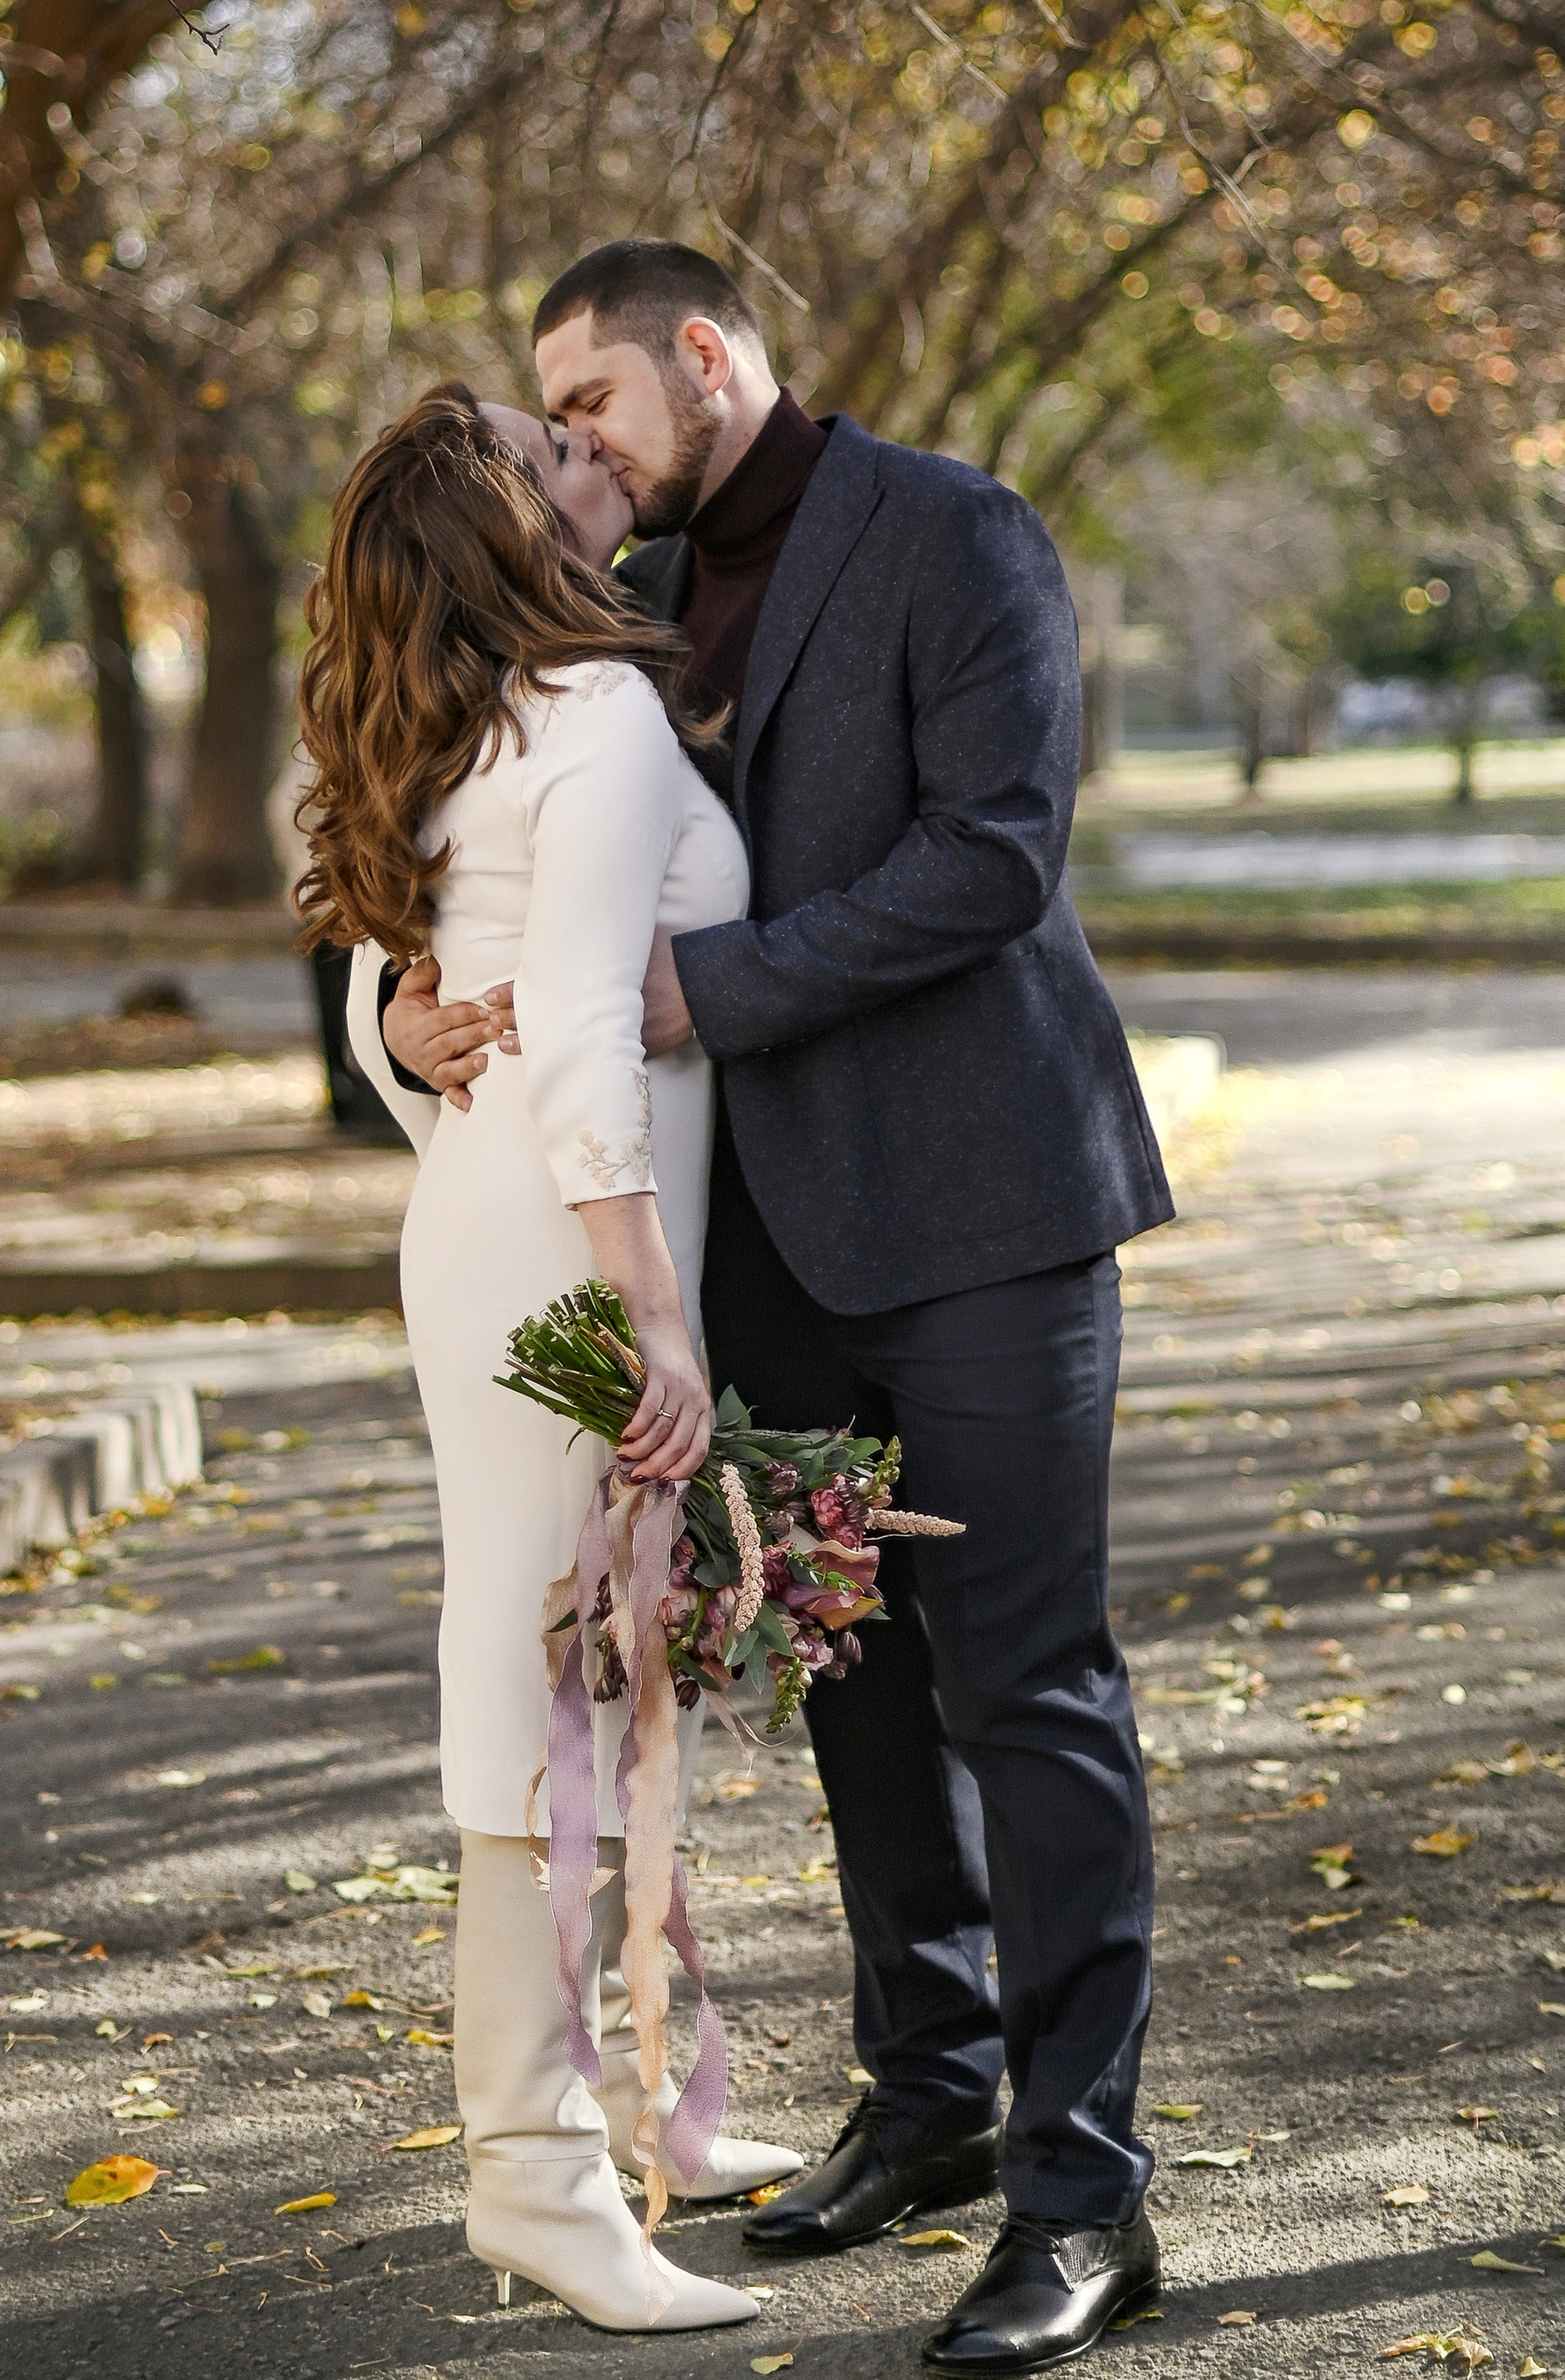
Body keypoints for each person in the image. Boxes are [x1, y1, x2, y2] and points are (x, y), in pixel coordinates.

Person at [385, 245, 1173, 2374]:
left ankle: (1082, 2193)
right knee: (850, 1693)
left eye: (595, 405)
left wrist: (685, 991)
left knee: (1029, 1690)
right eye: (550, 422)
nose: (575, 449)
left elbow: (990, 850)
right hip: (767, 1252)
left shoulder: (951, 531)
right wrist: (406, 1005)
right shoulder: (603, 614)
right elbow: (472, 858)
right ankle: (922, 2101)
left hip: (987, 1206)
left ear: (706, 361)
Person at [294, 380, 797, 2336]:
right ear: (520, 526)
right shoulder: (581, 720)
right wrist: (652, 1315)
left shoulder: (490, 717)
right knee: (540, 1681)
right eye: (562, 450)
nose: (607, 463)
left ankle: (664, 2101)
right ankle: (534, 2177)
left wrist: (393, 1031)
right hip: (565, 1254)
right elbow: (570, 1027)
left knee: (613, 1658)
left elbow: (421, 964)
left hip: (506, 1226)